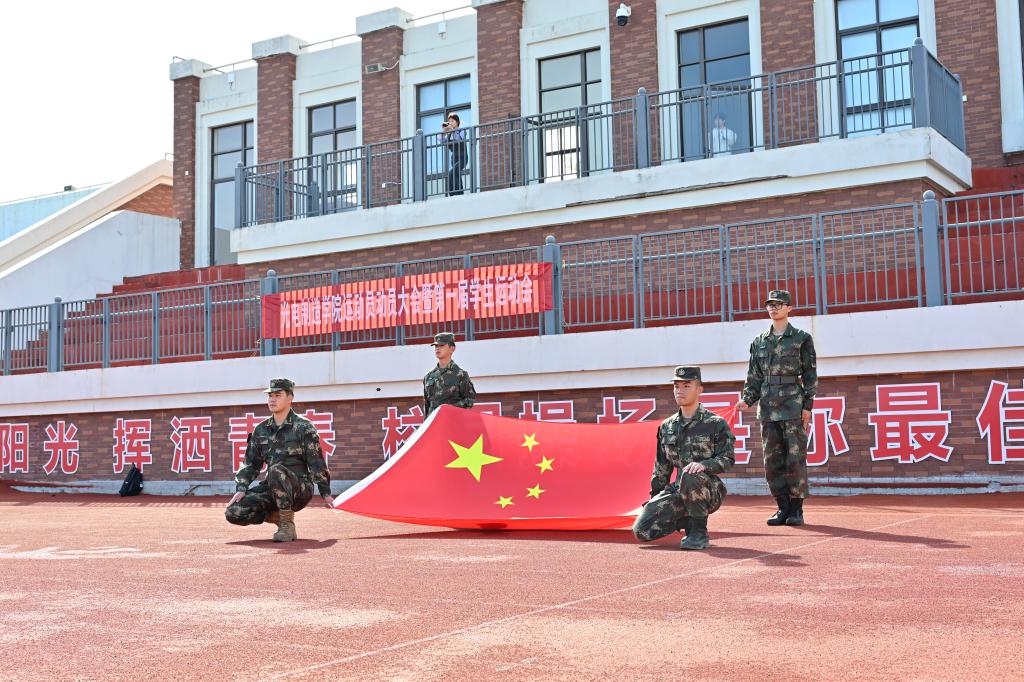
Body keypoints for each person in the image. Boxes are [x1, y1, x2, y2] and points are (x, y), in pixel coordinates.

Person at [735, 290, 817, 526]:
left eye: (779, 304)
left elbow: (810, 374)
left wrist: (807, 406)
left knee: (795, 459)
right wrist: (747, 399)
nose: (773, 308)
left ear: (789, 308)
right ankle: (782, 507)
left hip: (793, 405)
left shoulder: (801, 338)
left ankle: (796, 510)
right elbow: (754, 375)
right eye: (770, 304)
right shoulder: (759, 341)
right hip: (768, 407)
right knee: (772, 461)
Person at [633, 366, 736, 551]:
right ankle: (687, 520)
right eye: (676, 386)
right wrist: (655, 501)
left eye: (687, 385)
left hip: (708, 490)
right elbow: (661, 467)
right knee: (642, 530)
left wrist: (704, 465)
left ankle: (699, 532)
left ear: (699, 389)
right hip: (679, 490)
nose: (680, 390)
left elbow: (727, 459)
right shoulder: (667, 426)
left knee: (690, 473)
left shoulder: (715, 423)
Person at [224, 378, 335, 542]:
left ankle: (287, 526)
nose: (272, 400)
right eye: (270, 396)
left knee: (276, 469)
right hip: (273, 486)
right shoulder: (261, 429)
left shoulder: (303, 427)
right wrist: (241, 487)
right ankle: (279, 518)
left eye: (277, 395)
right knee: (234, 512)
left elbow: (316, 462)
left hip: (299, 489)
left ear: (290, 398)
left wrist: (326, 493)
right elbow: (250, 463)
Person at [423, 332, 476, 415]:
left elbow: (470, 400)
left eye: (442, 345)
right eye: (436, 346)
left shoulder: (460, 374)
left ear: (452, 349)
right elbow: (427, 405)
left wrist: (449, 408)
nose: (438, 348)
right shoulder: (429, 376)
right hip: (435, 421)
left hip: (452, 420)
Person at [442, 112, 468, 196]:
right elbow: (441, 141)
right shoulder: (449, 134)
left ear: (457, 122)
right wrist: (444, 132)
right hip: (454, 158)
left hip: (462, 157)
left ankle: (453, 194)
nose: (451, 123)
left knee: (451, 173)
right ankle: (460, 193)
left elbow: (460, 139)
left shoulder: (461, 131)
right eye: (449, 121)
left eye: (452, 121)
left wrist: (453, 130)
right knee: (456, 175)